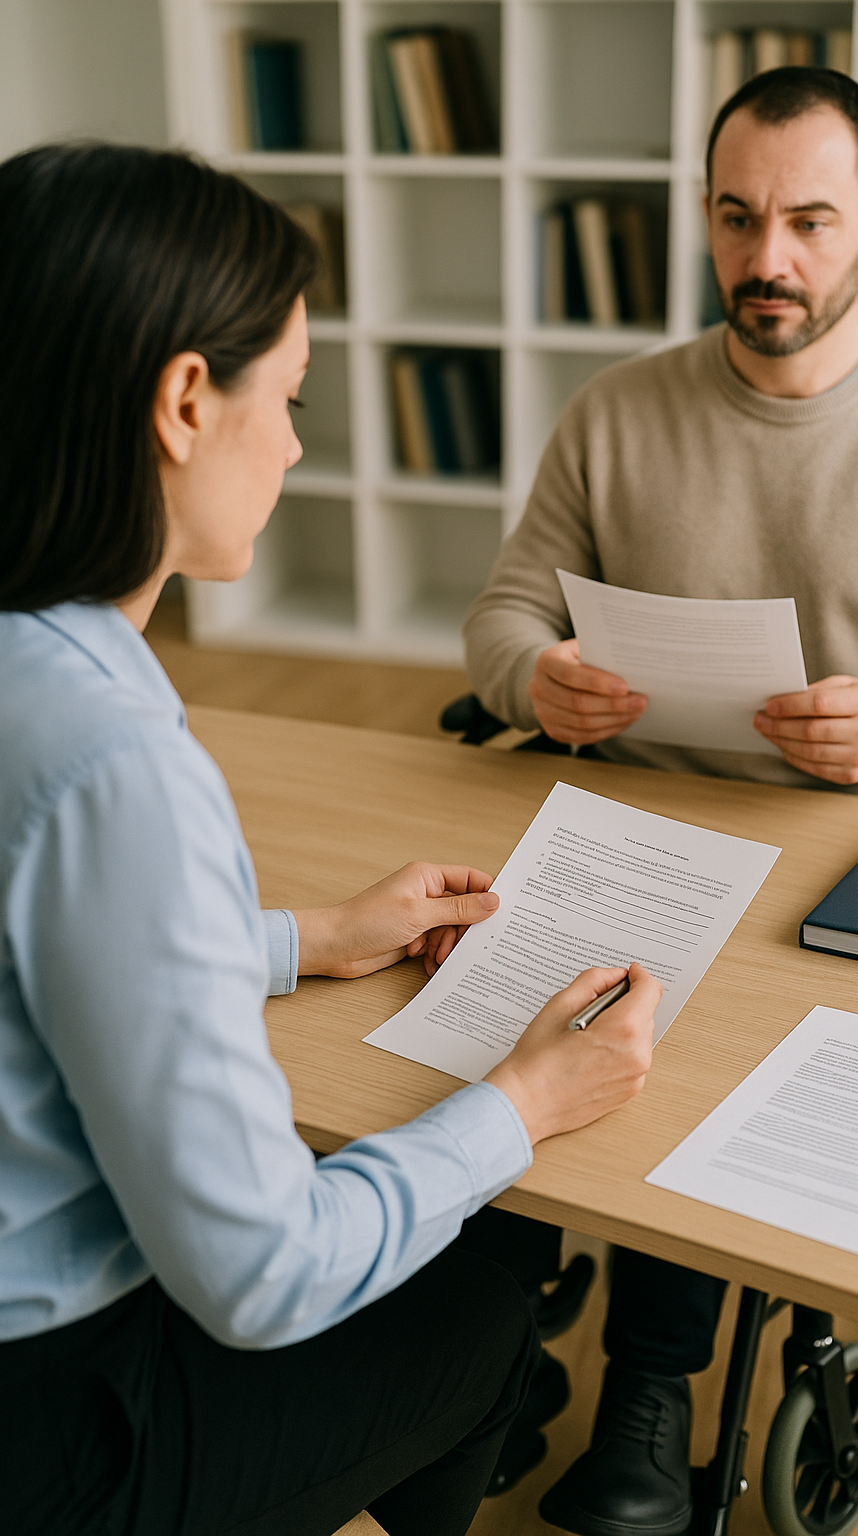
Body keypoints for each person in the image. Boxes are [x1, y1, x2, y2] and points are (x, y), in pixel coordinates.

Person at [0, 142, 663, 1536]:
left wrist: (307, 938)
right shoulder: (115, 764)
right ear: (186, 399)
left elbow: (51, 948)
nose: (298, 445)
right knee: (480, 1308)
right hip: (54, 1428)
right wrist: (529, 1103)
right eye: (288, 398)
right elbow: (261, 1278)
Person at [462, 67, 858, 1536]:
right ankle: (479, 1351)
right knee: (473, 1022)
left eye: (809, 223)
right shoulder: (616, 410)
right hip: (626, 815)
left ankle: (648, 1392)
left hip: (837, 841)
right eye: (736, 218)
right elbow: (504, 614)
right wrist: (538, 682)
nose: (766, 260)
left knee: (693, 1056)